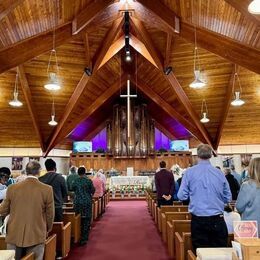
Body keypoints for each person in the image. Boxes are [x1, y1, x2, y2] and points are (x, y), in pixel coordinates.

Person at [177, 144, 232, 251]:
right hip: (217, 218)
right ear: (211, 155)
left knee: (201, 252)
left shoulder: (189, 172)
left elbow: (181, 196)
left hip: (199, 219)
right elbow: (228, 197)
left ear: (197, 155)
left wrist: (193, 195)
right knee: (220, 252)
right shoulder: (219, 173)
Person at [0, 161, 54, 260]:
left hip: (14, 233)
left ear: (26, 171)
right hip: (36, 233)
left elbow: (3, 210)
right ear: (39, 172)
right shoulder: (47, 189)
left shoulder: (12, 188)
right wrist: (47, 229)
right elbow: (50, 214)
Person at [236, 157, 260, 236]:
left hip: (251, 227)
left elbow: (239, 207)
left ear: (251, 168)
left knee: (250, 248)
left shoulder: (247, 185)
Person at [72, 167, 95, 245]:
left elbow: (72, 188)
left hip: (78, 202)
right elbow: (93, 190)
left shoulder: (75, 181)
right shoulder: (88, 181)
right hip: (87, 202)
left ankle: (78, 236)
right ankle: (84, 238)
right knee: (86, 220)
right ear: (85, 173)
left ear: (78, 173)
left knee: (78, 220)